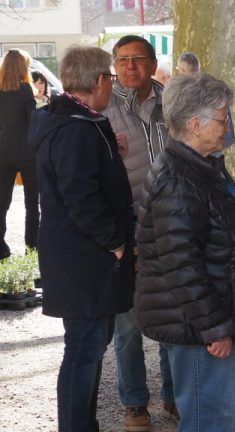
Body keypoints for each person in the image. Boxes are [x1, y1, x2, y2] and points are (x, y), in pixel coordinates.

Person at [135, 73, 235, 432]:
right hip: (200, 329)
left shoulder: (199, 167)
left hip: (205, 321)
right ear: (195, 124)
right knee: (208, 421)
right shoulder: (180, 178)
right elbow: (182, 264)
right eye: (222, 119)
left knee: (215, 419)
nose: (227, 126)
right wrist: (214, 328)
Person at [28, 45, 134, 432]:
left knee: (88, 348)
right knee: (83, 352)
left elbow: (84, 179)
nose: (114, 82)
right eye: (111, 75)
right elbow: (81, 198)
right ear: (98, 81)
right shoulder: (74, 127)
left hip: (81, 255)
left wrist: (111, 155)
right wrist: (116, 242)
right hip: (82, 257)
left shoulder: (79, 120)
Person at [101, 34, 175, 430]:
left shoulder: (172, 102)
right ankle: (134, 403)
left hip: (170, 221)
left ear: (152, 62)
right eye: (123, 60)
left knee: (171, 310)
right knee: (128, 319)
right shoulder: (102, 109)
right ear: (114, 64)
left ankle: (173, 395)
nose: (130, 67)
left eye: (138, 59)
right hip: (127, 224)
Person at [0, 49, 38, 260]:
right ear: (23, 68)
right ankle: (32, 249)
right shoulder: (25, 90)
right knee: (32, 204)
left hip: (3, 152)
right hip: (27, 152)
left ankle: (1, 249)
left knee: (1, 204)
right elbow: (33, 119)